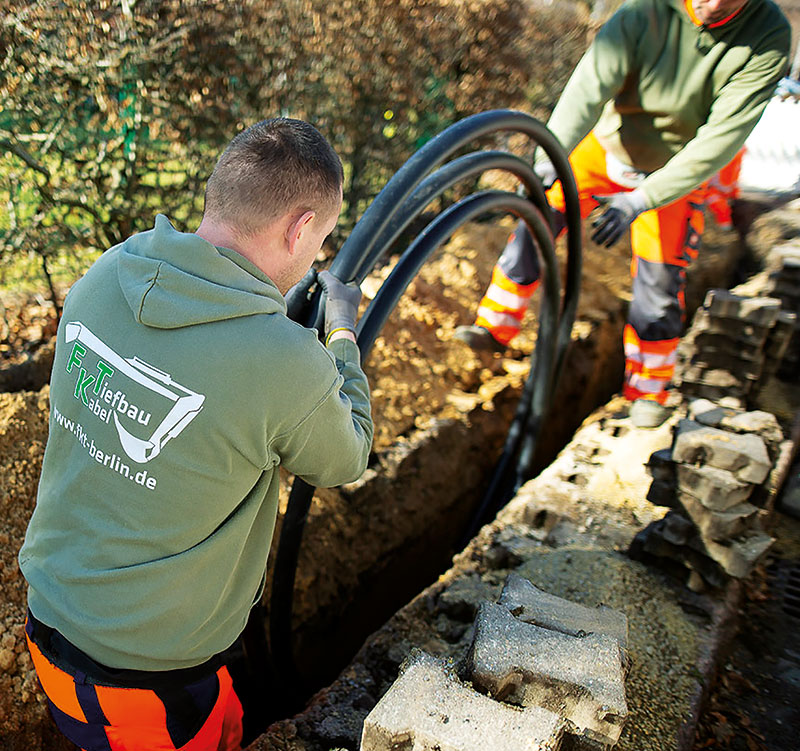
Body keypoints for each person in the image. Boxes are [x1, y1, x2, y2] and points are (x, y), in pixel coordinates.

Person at [18, 118, 373, 751]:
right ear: (299, 228)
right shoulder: (284, 363)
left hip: (49, 623)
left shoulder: (107, 273)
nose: (314, 253)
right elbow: (345, 458)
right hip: (149, 683)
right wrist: (341, 335)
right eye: (318, 239)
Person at [455, 0, 791, 427]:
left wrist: (642, 199)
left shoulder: (768, 37)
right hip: (608, 147)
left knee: (660, 281)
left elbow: (719, 141)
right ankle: (494, 327)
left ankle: (646, 392)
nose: (712, 4)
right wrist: (548, 158)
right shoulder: (643, 13)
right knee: (538, 219)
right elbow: (587, 90)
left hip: (676, 168)